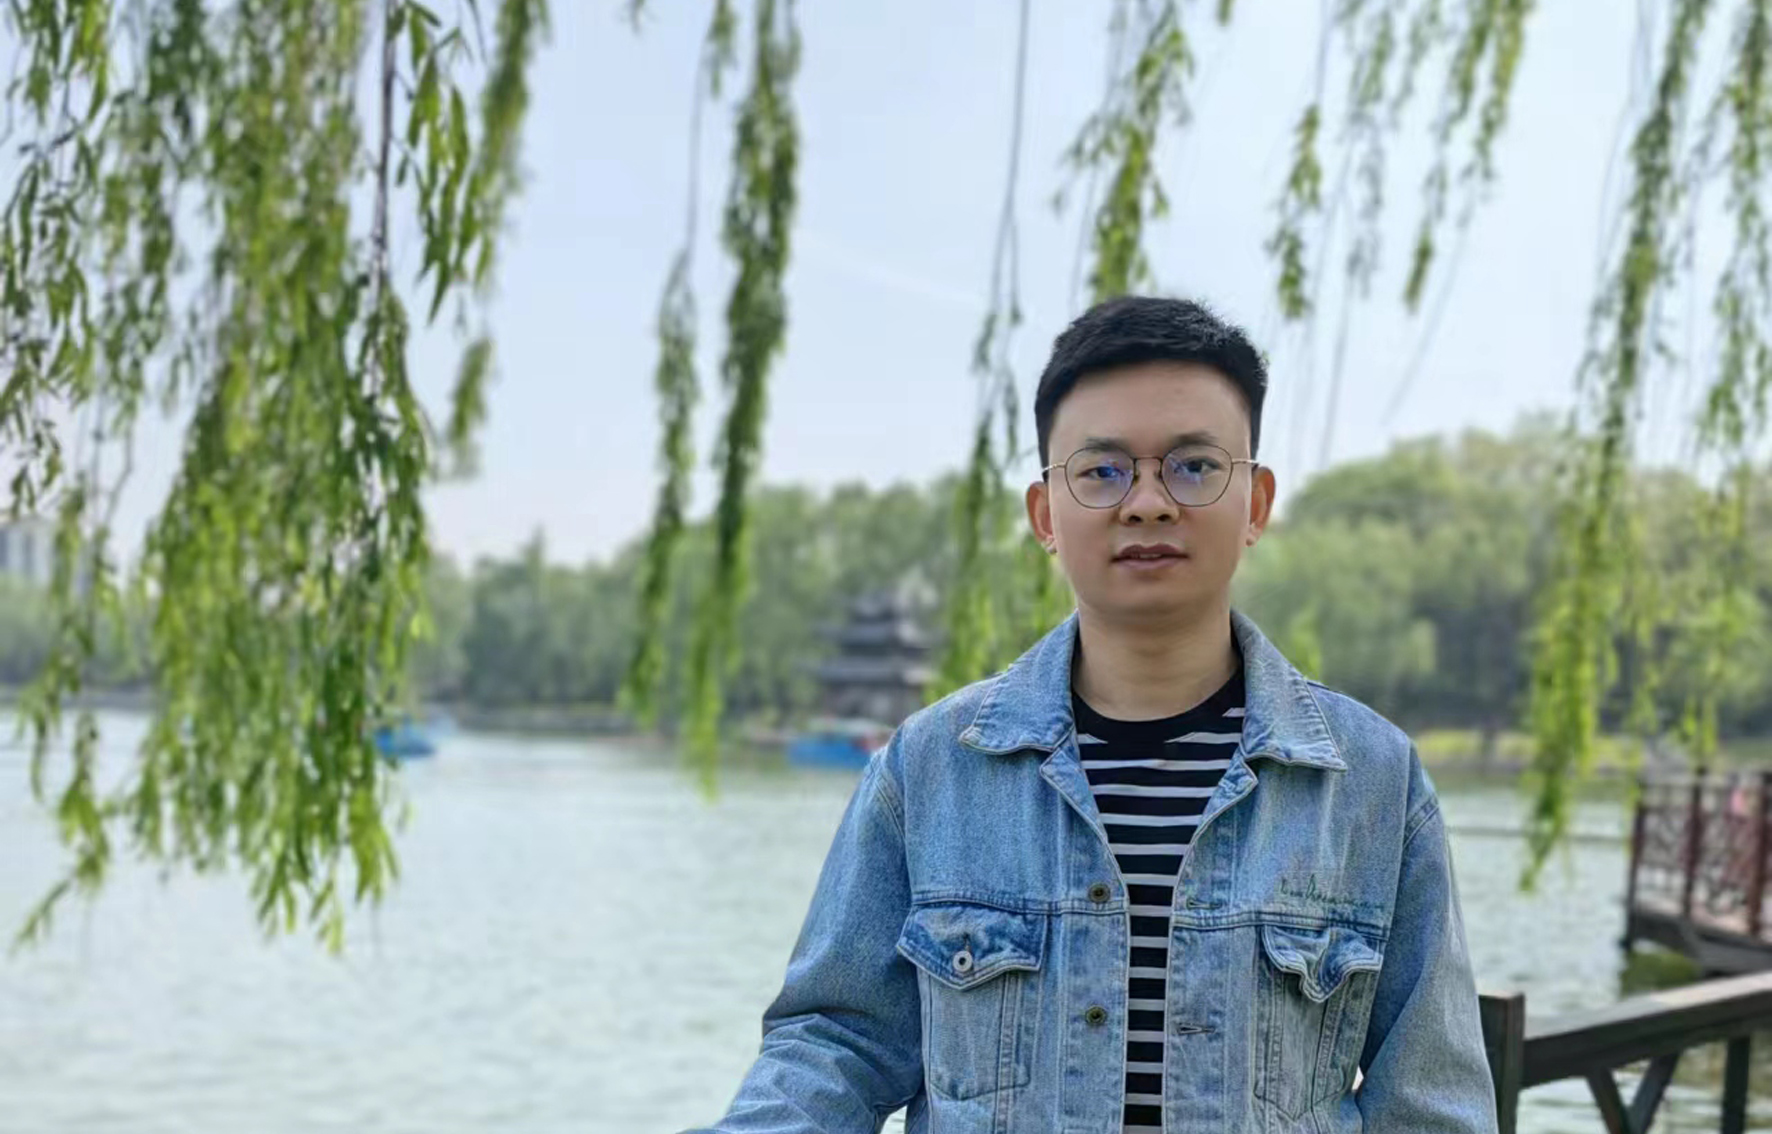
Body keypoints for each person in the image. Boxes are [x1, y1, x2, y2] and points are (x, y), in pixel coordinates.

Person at [688, 296, 1498, 1133]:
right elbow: (837, 1045)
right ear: (1046, 514)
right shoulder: (931, 768)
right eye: (1103, 472)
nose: (1147, 503)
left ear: (1255, 503)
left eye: (1193, 467)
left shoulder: (1371, 783)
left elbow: (1429, 1104)